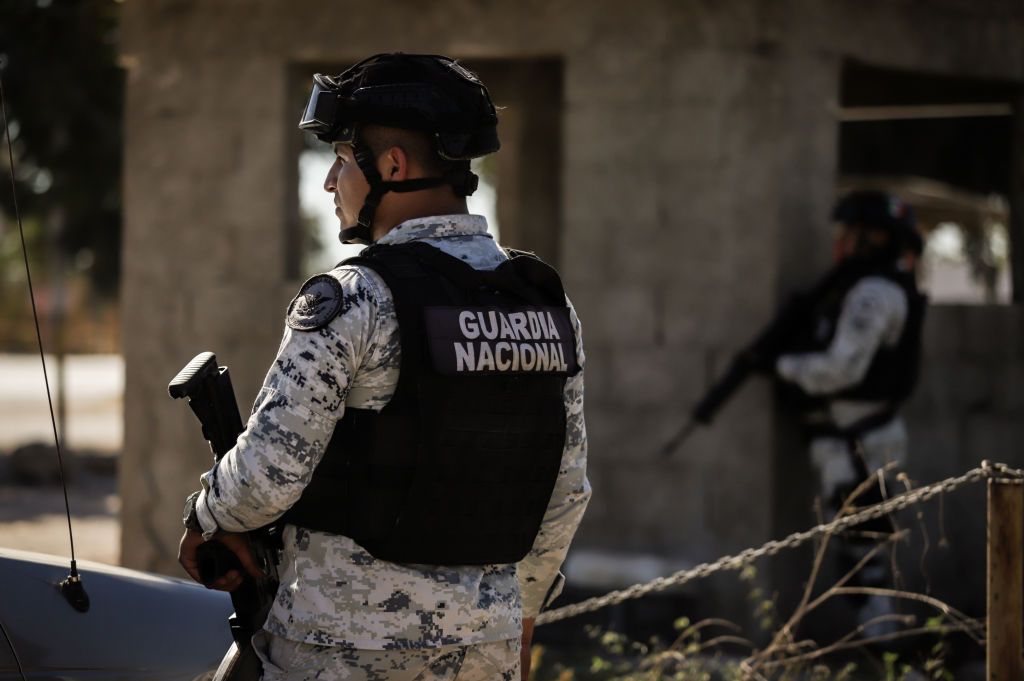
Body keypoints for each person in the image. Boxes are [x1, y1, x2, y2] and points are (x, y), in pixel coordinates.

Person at [177, 52, 590, 681]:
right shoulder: (542, 298)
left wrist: (207, 518)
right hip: (486, 648)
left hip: (341, 647)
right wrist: (520, 612)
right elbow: (565, 489)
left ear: (392, 166)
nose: (329, 183)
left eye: (341, 160)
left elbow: (268, 475)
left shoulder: (354, 297)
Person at [773, 190, 926, 634]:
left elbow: (842, 368)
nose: (839, 246)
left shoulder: (875, 292)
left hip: (862, 444)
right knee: (860, 552)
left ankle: (894, 655)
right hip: (853, 443)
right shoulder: (862, 288)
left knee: (865, 558)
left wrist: (785, 366)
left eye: (848, 236)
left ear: (873, 237)